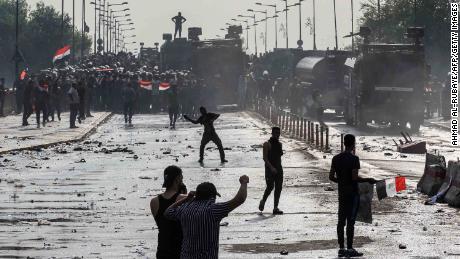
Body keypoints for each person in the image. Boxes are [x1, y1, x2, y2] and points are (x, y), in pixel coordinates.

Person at [164, 175, 249, 259]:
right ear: (213, 196)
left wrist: (186, 199)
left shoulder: (185, 208)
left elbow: (167, 212)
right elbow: (240, 199)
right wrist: (244, 183)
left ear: (197, 195)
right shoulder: (213, 210)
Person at [329, 134, 377, 258]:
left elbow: (331, 177)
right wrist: (368, 179)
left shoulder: (336, 158)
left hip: (342, 193)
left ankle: (341, 248)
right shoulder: (354, 159)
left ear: (344, 143)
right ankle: (349, 248)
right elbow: (355, 178)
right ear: (353, 144)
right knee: (350, 222)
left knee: (341, 221)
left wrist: (341, 182)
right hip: (352, 194)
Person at [150, 166, 187, 259]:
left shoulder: (154, 201)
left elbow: (162, 223)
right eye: (181, 176)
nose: (182, 178)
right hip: (180, 248)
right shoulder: (183, 198)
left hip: (162, 247)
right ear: (177, 178)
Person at [259, 127, 284, 215]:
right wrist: (271, 168)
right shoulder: (267, 144)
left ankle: (275, 207)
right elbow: (265, 158)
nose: (277, 135)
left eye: (278, 133)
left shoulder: (280, 144)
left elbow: (279, 158)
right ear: (272, 133)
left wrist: (279, 169)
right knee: (270, 187)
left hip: (279, 169)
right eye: (276, 133)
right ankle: (263, 200)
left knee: (278, 188)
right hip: (269, 169)